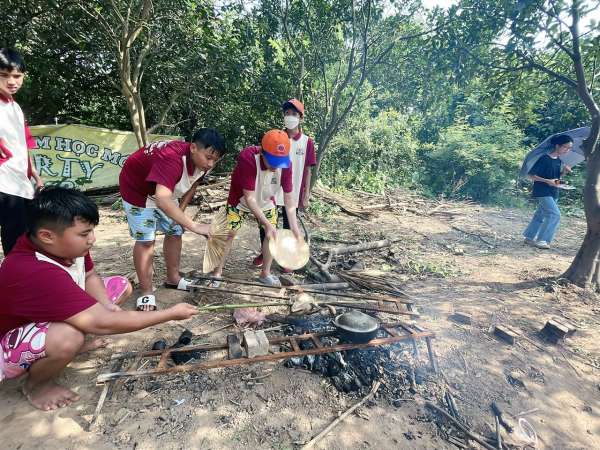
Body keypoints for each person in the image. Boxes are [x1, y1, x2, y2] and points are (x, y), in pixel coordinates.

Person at [0, 187, 197, 411]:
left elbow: (90, 274)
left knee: (120, 287)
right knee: (68, 337)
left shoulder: (64, 247)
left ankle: (69, 342)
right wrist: (170, 314)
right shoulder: (33, 270)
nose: (92, 239)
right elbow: (101, 324)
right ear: (47, 235)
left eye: (91, 231)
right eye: (84, 234)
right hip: (8, 344)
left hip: (44, 313)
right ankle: (36, 386)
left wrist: (108, 306)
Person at [119, 129, 226, 311]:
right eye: (209, 158)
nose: (211, 164)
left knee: (175, 231)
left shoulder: (202, 163)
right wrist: (194, 225)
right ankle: (146, 292)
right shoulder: (172, 159)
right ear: (193, 148)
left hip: (165, 191)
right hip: (138, 191)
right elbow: (162, 199)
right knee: (146, 241)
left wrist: (181, 210)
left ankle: (173, 278)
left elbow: (193, 185)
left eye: (215, 160)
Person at [210, 129, 303, 287]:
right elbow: (250, 198)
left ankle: (265, 273)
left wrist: (294, 228)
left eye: (279, 162)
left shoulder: (286, 165)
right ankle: (217, 272)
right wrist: (266, 224)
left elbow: (288, 198)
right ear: (262, 152)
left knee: (271, 235)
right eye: (272, 161)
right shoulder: (248, 158)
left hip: (266, 200)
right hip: (240, 200)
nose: (275, 166)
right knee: (229, 233)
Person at [253, 99, 316, 272]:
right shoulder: (275, 137)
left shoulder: (307, 142)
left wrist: (306, 194)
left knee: (289, 224)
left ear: (301, 118)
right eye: (287, 113)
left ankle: (286, 258)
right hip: (271, 187)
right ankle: (264, 252)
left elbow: (309, 169)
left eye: (294, 114)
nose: (290, 117)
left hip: (293, 190)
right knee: (266, 222)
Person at [0, 48, 43, 255]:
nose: (11, 81)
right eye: (4, 75)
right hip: (4, 183)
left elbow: (23, 143)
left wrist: (33, 172)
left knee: (21, 236)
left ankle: (18, 280)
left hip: (19, 183)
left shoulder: (14, 107)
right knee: (15, 239)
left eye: (17, 76)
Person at [523, 134, 573, 249]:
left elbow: (556, 180)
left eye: (570, 148)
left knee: (540, 215)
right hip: (542, 191)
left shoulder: (559, 161)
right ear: (557, 146)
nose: (567, 150)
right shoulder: (544, 158)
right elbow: (531, 175)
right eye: (566, 147)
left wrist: (564, 173)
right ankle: (542, 240)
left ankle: (529, 237)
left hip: (553, 191)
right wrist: (547, 181)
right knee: (555, 214)